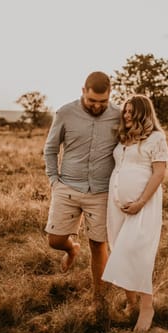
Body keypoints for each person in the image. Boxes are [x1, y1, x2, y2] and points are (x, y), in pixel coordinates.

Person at [43, 71, 121, 306]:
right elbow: (51, 148)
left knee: (98, 244)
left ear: (110, 95)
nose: (97, 106)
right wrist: (54, 180)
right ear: (83, 91)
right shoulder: (65, 113)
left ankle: (99, 299)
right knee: (54, 240)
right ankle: (71, 249)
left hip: (101, 192)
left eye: (103, 102)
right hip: (67, 187)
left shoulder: (119, 115)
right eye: (92, 101)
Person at [101, 94, 168, 331]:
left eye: (131, 111)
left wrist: (140, 202)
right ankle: (131, 303)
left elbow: (159, 173)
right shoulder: (123, 139)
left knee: (137, 253)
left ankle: (147, 306)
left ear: (143, 113)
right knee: (119, 249)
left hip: (143, 206)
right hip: (117, 205)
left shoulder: (156, 138)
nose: (126, 115)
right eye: (125, 111)